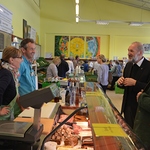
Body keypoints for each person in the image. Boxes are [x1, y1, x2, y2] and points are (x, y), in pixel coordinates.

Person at [117, 41, 150, 128]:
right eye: (128, 50)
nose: (129, 53)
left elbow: (148, 88)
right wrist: (120, 82)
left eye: (132, 51)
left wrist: (135, 83)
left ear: (140, 52)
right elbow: (125, 84)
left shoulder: (148, 67)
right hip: (127, 106)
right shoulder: (128, 65)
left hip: (140, 109)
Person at [0, 46, 23, 120]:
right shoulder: (6, 74)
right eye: (20, 57)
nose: (22, 60)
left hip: (7, 116)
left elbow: (15, 93)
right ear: (11, 59)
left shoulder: (12, 73)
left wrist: (21, 105)